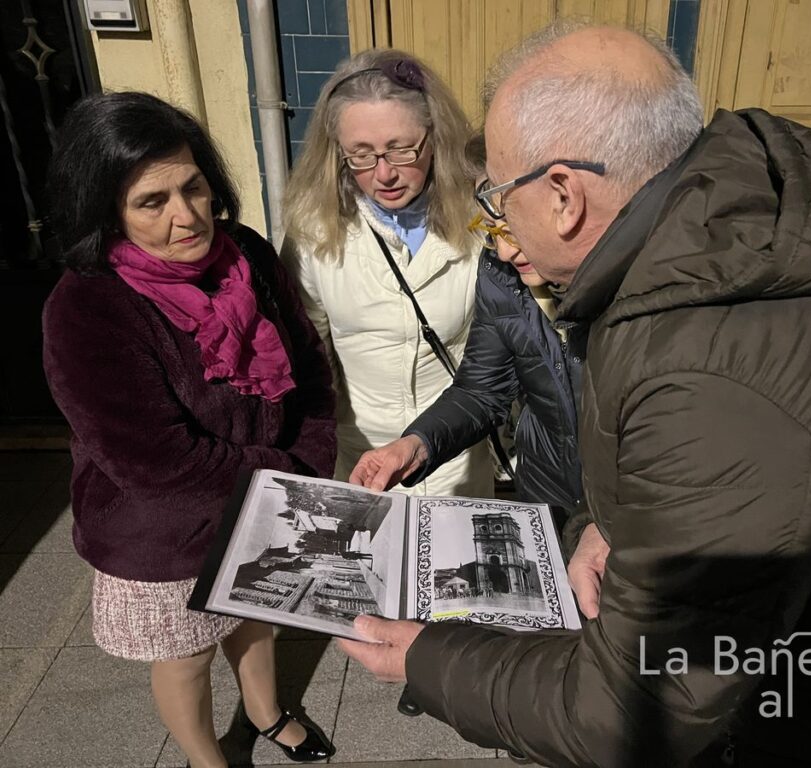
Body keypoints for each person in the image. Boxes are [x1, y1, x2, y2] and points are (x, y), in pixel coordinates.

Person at [338, 22, 811, 768]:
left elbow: (634, 712)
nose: (497, 228)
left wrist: (429, 657)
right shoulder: (757, 231)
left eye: (499, 196)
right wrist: (615, 522)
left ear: (564, 194)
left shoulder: (705, 368)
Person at [42, 92, 337, 768]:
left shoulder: (247, 254)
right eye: (153, 202)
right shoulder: (86, 307)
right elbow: (155, 459)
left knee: (254, 616)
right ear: (106, 211)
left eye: (193, 187)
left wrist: (312, 457)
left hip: (265, 493)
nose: (187, 215)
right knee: (187, 653)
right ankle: (208, 759)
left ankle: (266, 713)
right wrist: (287, 480)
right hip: (163, 529)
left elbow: (308, 363)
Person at [283, 49, 492, 497]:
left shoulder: (478, 219)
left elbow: (502, 351)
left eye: (401, 149)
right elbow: (310, 358)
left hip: (453, 460)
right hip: (360, 462)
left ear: (435, 137)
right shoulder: (315, 230)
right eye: (360, 155)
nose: (384, 174)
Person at [349, 134, 584, 525]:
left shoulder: (636, 281)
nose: (505, 250)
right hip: (550, 505)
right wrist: (417, 444)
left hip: (632, 525)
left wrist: (608, 524)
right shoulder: (500, 272)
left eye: (514, 229)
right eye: (491, 230)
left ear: (566, 202)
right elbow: (482, 389)